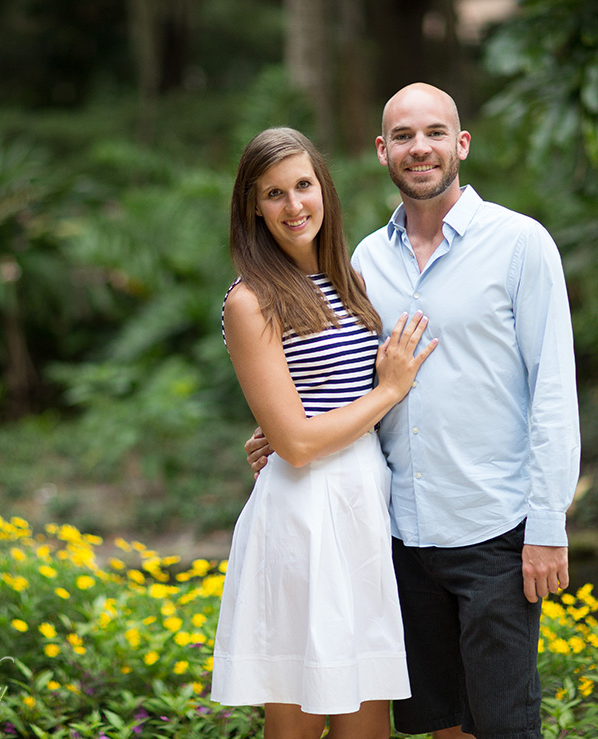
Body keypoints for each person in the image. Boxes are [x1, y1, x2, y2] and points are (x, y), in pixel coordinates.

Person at [244, 84, 581, 739]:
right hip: (395, 534)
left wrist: (547, 524)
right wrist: (281, 432)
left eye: (434, 132)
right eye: (403, 136)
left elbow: (554, 393)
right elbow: (344, 376)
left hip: (495, 530)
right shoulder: (364, 261)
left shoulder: (520, 245)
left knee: (505, 724)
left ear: (461, 144)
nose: (419, 147)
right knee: (439, 724)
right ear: (382, 151)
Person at [211, 127, 438, 739]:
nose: (294, 206)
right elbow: (298, 442)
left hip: (366, 505)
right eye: (274, 194)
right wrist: (389, 390)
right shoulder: (251, 300)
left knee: (368, 725)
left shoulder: (353, 275)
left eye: (304, 186)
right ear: (252, 207)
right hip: (305, 516)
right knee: (300, 721)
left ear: (324, 189)